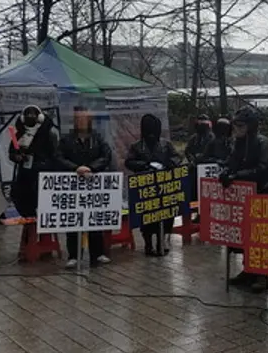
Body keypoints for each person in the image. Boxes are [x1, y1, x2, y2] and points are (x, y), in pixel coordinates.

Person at [220, 107, 268, 291]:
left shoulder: (263, 143)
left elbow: (262, 169)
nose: (237, 129)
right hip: (243, 196)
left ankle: (262, 276)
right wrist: (226, 171)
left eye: (241, 125)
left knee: (261, 238)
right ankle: (248, 270)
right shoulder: (239, 142)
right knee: (245, 236)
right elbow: (232, 160)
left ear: (251, 126)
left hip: (262, 194)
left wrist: (238, 176)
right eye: (236, 125)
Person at [56, 106, 113, 268]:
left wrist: (92, 168)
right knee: (73, 220)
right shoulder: (66, 139)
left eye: (84, 118)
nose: (81, 121)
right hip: (73, 184)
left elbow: (106, 156)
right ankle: (74, 255)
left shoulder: (98, 138)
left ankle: (98, 253)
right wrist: (75, 168)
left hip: (93, 184)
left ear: (89, 120)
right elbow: (59, 158)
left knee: (94, 219)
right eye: (78, 118)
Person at [125, 114, 182, 256]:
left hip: (163, 186)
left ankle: (161, 242)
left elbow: (177, 157)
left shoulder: (165, 144)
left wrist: (169, 164)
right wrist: (146, 165)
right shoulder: (137, 146)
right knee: (147, 218)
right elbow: (129, 162)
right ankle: (148, 244)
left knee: (166, 216)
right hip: (146, 188)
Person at [9, 105, 59, 219]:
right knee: (21, 196)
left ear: (40, 117)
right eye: (28, 114)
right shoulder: (18, 135)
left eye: (33, 114)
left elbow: (55, 155)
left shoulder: (48, 134)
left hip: (41, 174)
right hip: (24, 174)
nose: (30, 116)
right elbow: (12, 153)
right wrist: (17, 157)